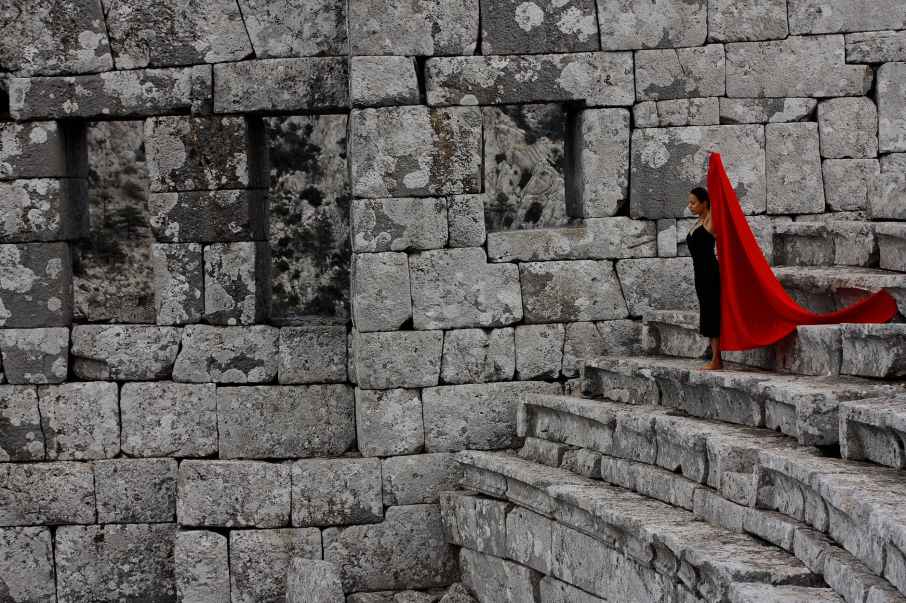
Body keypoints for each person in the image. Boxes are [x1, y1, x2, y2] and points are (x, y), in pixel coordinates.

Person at [686, 186, 721, 370]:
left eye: (693, 202)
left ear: (704, 203)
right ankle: (713, 355)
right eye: (689, 202)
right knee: (707, 313)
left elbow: (720, 201)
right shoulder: (699, 222)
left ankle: (716, 359)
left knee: (712, 314)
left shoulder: (710, 221)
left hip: (710, 274)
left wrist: (714, 173)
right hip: (699, 274)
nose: (690, 206)